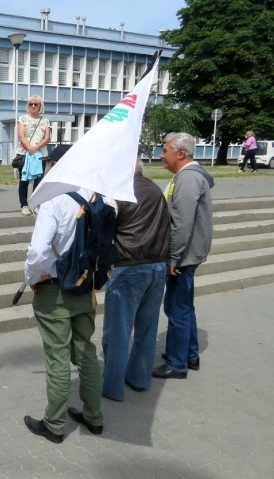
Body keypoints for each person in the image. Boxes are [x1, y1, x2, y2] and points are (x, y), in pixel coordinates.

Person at [23, 187, 103, 443]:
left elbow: (37, 251)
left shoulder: (53, 203)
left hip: (54, 289)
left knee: (57, 357)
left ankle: (54, 425)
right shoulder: (97, 199)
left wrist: (31, 278)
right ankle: (94, 416)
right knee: (86, 353)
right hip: (84, 286)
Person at [101, 159, 170, 401]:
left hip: (129, 266)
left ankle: (113, 386)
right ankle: (140, 379)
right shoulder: (155, 189)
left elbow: (104, 232)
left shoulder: (118, 194)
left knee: (118, 331)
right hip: (157, 265)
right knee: (147, 328)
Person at [153, 132, 215, 380]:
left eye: (165, 150)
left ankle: (177, 363)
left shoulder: (188, 178)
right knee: (184, 306)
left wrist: (173, 258)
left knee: (176, 308)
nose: (161, 155)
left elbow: (181, 223)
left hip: (183, 257)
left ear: (180, 153)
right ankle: (190, 354)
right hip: (190, 254)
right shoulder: (189, 175)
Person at [17, 95, 51, 216]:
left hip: (40, 154)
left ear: (40, 106)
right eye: (30, 103)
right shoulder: (23, 119)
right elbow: (21, 136)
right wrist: (30, 148)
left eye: (35, 104)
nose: (33, 106)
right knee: (24, 180)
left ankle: (36, 204)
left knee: (38, 180)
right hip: (25, 153)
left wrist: (36, 148)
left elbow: (47, 137)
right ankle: (24, 205)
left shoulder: (45, 120)